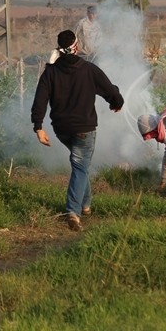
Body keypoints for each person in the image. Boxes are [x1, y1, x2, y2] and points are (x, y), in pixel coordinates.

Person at [31, 29, 124, 231]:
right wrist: (117, 103)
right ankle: (72, 212)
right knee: (80, 166)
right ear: (77, 47)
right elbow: (110, 90)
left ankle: (86, 204)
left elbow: (40, 101)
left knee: (80, 164)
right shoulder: (89, 69)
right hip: (84, 129)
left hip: (61, 129)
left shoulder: (50, 72)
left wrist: (38, 127)